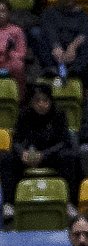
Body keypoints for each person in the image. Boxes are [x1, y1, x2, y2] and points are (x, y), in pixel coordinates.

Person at [0, 81, 76, 209]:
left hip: (51, 156)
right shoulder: (24, 115)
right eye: (37, 101)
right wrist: (22, 153)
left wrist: (44, 155)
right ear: (31, 102)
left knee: (68, 157)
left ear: (50, 101)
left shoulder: (59, 115)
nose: (41, 104)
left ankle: (69, 203)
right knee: (6, 158)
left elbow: (63, 142)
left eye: (45, 100)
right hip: (28, 157)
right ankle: (9, 203)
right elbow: (16, 141)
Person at [32, 0, 88, 84]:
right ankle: (51, 69)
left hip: (75, 52)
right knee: (36, 33)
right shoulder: (49, 13)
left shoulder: (83, 15)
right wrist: (56, 46)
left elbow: (84, 33)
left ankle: (76, 70)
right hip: (55, 51)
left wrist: (73, 47)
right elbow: (49, 31)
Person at [0, 0, 27, 95]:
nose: (0, 14)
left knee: (18, 65)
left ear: (9, 13)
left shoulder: (16, 30)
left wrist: (10, 53)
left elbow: (22, 53)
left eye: (3, 11)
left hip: (9, 62)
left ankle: (20, 97)